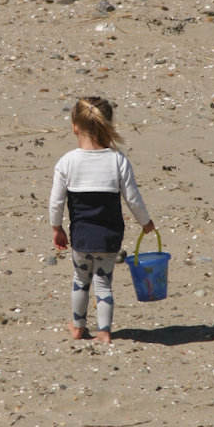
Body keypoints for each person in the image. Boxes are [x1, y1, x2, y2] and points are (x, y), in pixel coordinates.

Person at [49, 96, 155, 344]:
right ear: (107, 124)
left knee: (80, 281)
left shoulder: (67, 162)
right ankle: (104, 332)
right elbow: (133, 198)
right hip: (109, 238)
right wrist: (146, 222)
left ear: (74, 127)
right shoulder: (117, 160)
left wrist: (57, 228)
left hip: (81, 237)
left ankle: (78, 327)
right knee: (103, 284)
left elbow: (56, 201)